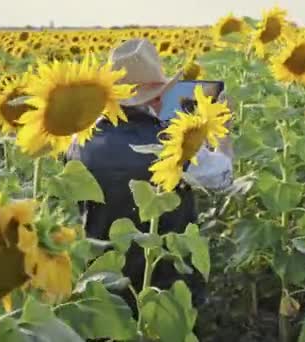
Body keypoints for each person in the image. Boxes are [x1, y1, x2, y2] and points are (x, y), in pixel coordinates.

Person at [65, 38, 234, 316]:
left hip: (103, 286)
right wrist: (223, 132)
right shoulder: (174, 145)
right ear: (158, 96)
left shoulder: (78, 139)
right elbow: (223, 177)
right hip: (166, 287)